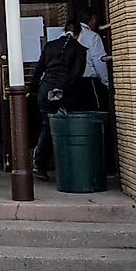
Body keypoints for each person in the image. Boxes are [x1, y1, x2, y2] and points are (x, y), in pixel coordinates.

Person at [31, 19, 91, 180]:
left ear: (64, 30)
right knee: (65, 128)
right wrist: (63, 90)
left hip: (45, 88)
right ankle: (65, 165)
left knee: (47, 126)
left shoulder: (50, 46)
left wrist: (32, 90)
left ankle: (40, 164)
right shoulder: (79, 49)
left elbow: (38, 71)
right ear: (79, 33)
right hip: (63, 90)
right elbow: (76, 75)